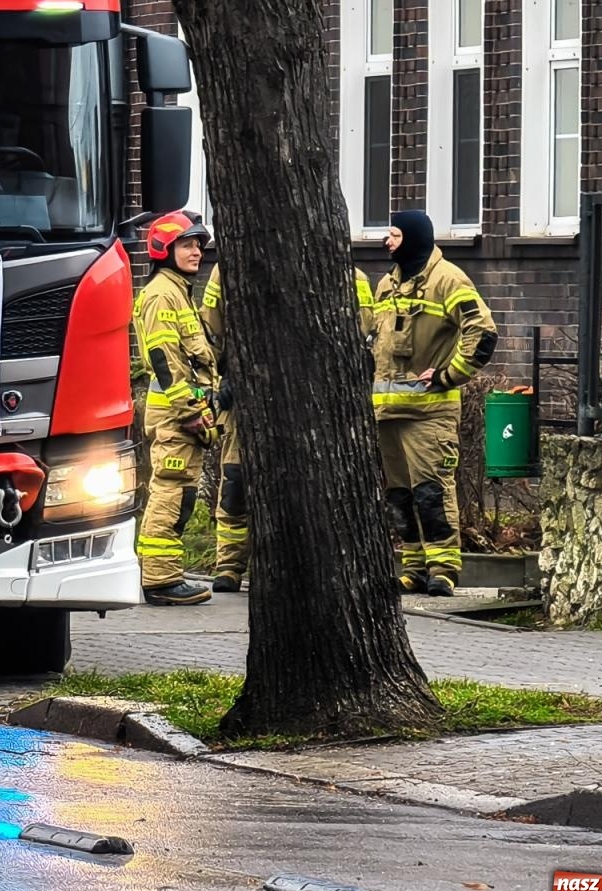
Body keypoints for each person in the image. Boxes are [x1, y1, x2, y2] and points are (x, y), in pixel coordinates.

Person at [200, 261, 377, 593]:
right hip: (246, 399)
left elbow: (362, 336)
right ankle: (229, 565)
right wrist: (225, 379)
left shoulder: (351, 276)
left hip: (309, 403)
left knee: (301, 485)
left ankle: (295, 566)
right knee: (236, 482)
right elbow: (211, 332)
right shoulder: (227, 270)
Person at [373, 210, 498, 596]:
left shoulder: (448, 280)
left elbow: (482, 333)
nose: (387, 242)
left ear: (412, 238)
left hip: (429, 413)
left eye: (394, 235)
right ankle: (412, 566)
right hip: (387, 413)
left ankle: (443, 568)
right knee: (399, 494)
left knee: (431, 492)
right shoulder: (386, 286)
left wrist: (447, 376)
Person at [131, 209, 218, 606]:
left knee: (179, 494)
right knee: (170, 491)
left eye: (199, 244)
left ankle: (164, 574)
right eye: (187, 244)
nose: (197, 251)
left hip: (184, 413)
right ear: (164, 248)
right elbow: (165, 360)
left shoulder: (177, 291)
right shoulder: (162, 294)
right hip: (176, 416)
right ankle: (159, 580)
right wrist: (191, 410)